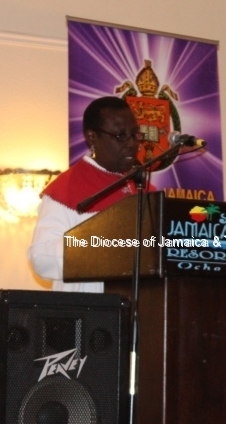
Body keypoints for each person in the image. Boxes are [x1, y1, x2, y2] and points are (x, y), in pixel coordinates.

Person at [28, 96, 149, 292]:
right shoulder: (66, 189)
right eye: (121, 136)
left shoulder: (144, 188)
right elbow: (41, 258)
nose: (132, 144)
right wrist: (104, 244)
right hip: (89, 308)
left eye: (135, 134)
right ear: (92, 137)